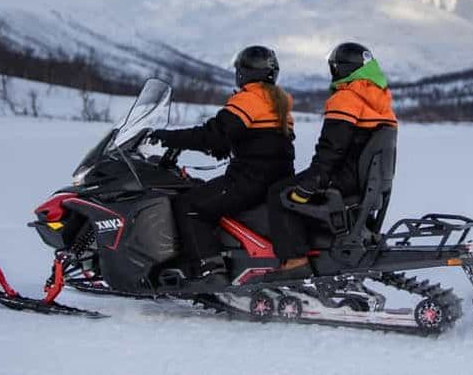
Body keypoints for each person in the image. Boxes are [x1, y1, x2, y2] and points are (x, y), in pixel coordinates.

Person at [149, 45, 295, 288]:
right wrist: (222, 146)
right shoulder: (276, 100)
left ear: (244, 72)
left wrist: (167, 137)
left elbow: (213, 133)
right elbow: (260, 139)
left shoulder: (250, 98)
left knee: (189, 205)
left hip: (250, 181)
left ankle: (210, 270)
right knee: (202, 193)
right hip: (271, 179)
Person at [265, 42, 397, 280]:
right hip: (364, 181)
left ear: (342, 69)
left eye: (334, 67)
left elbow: (331, 148)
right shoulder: (378, 99)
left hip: (343, 178)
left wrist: (312, 182)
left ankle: (295, 261)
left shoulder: (346, 98)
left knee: (280, 193)